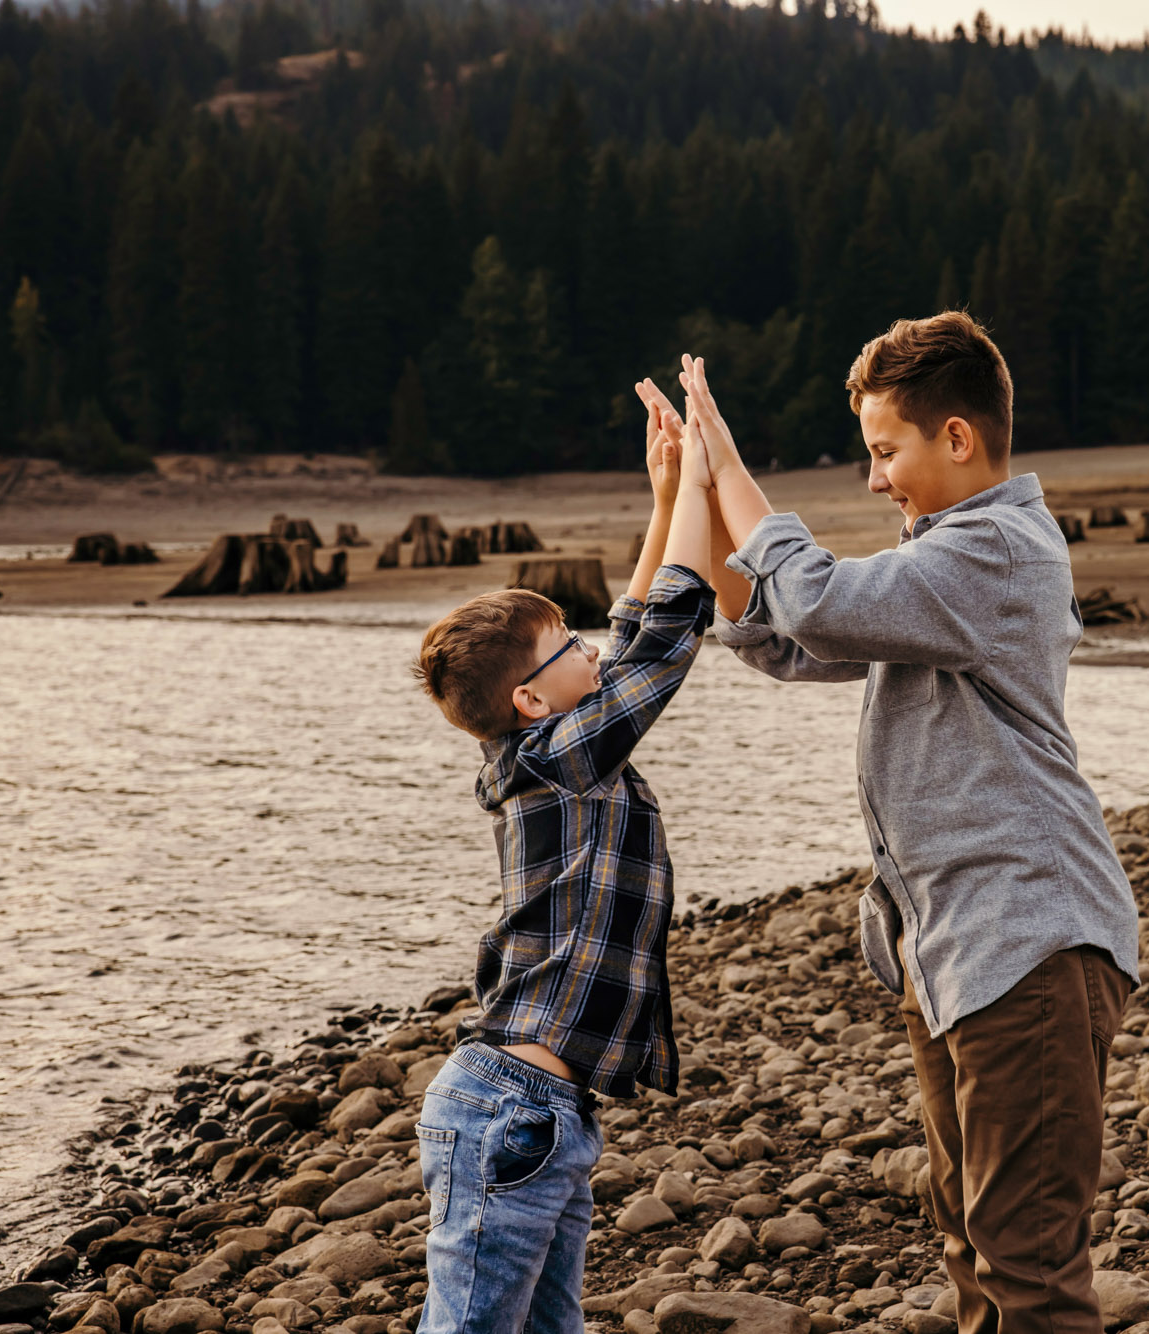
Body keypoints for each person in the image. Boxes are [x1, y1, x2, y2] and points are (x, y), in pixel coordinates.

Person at [653, 313, 1140, 1334]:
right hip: (953, 945)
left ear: (956, 437)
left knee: (1028, 1259)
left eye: (884, 451)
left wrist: (736, 468)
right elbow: (783, 634)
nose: (874, 480)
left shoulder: (997, 551)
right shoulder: (941, 561)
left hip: (1029, 940)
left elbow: (818, 601)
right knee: (966, 1229)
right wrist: (692, 492)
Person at [405, 396, 724, 1334]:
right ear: (533, 698)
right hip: (514, 1112)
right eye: (566, 645)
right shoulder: (560, 758)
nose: (592, 644)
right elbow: (666, 631)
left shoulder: (555, 745)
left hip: (543, 1113)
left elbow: (629, 630)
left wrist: (664, 492)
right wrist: (705, 480)